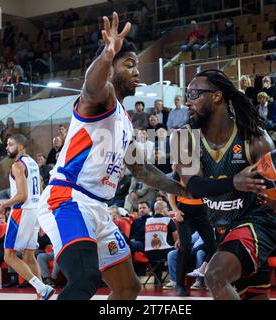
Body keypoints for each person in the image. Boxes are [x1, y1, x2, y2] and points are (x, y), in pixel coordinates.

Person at [36, 13, 187, 300]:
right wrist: (106, 57)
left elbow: (142, 171)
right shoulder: (102, 98)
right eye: (129, 64)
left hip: (98, 208)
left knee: (129, 287)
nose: (137, 72)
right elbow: (90, 87)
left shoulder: (126, 120)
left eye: (137, 66)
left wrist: (182, 189)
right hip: (68, 198)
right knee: (85, 278)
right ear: (112, 67)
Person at [171, 69, 276, 300]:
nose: (188, 100)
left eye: (194, 93)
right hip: (223, 231)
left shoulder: (255, 138)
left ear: (217, 96)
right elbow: (194, 186)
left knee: (214, 275)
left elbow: (275, 202)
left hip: (256, 223)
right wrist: (235, 182)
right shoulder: (182, 138)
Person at [0, 134, 54, 300]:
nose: (7, 147)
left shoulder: (18, 166)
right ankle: (40, 294)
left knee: (9, 256)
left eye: (10, 144)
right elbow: (40, 190)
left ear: (20, 146)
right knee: (29, 256)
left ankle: (42, 288)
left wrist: (3, 204)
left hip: (22, 211)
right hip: (35, 211)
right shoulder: (33, 163)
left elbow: (21, 195)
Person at [167, 171, 216, 296]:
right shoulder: (180, 170)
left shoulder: (207, 167)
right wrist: (175, 210)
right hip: (184, 212)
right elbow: (171, 192)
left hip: (202, 212)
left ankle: (212, 279)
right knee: (185, 248)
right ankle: (179, 284)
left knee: (213, 248)